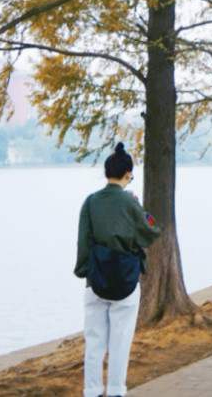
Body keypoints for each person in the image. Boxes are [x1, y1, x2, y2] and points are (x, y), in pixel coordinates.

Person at [75, 142, 162, 397]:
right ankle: (115, 391)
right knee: (120, 343)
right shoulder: (130, 203)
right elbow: (152, 231)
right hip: (126, 281)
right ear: (128, 175)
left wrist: (85, 272)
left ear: (106, 174)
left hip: (96, 281)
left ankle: (91, 391)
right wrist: (140, 208)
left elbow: (83, 242)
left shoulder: (90, 202)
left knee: (94, 343)